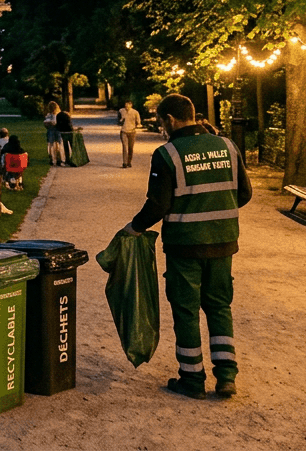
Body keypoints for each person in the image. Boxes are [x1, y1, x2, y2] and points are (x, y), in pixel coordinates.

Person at [122, 93, 252, 400]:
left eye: (161, 122)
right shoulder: (228, 146)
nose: (162, 127)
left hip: (185, 245)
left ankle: (192, 378)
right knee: (219, 306)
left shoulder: (167, 154)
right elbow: (244, 194)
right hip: (223, 242)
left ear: (169, 119)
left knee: (186, 310)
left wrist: (134, 227)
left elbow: (158, 205)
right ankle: (227, 376)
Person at [118, 100, 142, 168]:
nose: (126, 106)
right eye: (125, 105)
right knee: (124, 147)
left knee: (130, 148)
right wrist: (121, 120)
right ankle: (124, 162)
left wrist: (138, 125)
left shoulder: (135, 112)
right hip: (124, 131)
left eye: (128, 104)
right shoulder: (121, 111)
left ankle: (129, 161)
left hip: (132, 131)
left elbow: (138, 122)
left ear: (131, 105)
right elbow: (118, 120)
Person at [43, 101, 67, 166]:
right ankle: (59, 159)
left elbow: (48, 123)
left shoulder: (49, 115)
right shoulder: (57, 115)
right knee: (58, 145)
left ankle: (53, 159)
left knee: (52, 145)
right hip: (57, 131)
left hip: (52, 131)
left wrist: (48, 123)